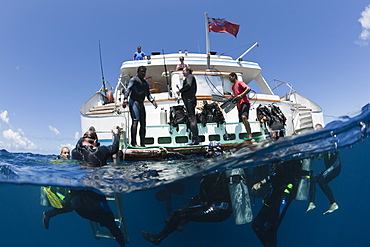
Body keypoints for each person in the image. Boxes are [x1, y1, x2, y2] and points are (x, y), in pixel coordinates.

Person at [141, 142, 232, 245]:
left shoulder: (212, 165)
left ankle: (158, 238)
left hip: (217, 210)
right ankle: (181, 224)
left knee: (179, 214)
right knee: (195, 199)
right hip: (223, 209)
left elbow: (191, 162)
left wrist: (173, 154)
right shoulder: (225, 164)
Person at [42, 189, 125, 247]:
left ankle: (50, 213)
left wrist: (121, 240)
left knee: (73, 205)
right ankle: (50, 213)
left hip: (83, 199)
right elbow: (113, 228)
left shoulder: (102, 216)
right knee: (74, 204)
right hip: (85, 197)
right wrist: (121, 241)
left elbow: (114, 228)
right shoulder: (105, 216)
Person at [251, 159, 302, 247]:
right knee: (257, 224)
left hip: (285, 193)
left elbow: (280, 174)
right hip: (275, 192)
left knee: (271, 227)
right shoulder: (277, 159)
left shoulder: (290, 159)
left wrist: (262, 182)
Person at [306, 124, 341, 215]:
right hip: (330, 168)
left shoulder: (330, 140)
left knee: (322, 181)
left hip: (335, 167)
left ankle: (333, 203)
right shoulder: (322, 143)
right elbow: (319, 156)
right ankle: (311, 203)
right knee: (313, 180)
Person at [123, 66, 158, 147]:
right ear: (138, 72)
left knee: (143, 123)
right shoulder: (134, 80)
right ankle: (134, 143)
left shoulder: (145, 83)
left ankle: (142, 143)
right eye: (142, 71)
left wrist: (153, 101)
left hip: (141, 103)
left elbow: (148, 94)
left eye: (144, 72)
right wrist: (125, 98)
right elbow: (128, 89)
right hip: (134, 102)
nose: (143, 73)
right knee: (135, 121)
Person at [177, 67, 199, 145]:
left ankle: (195, 139)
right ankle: (194, 138)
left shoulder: (190, 76)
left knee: (192, 118)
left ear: (188, 71)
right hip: (189, 100)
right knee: (190, 118)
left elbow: (188, 85)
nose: (182, 72)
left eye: (184, 71)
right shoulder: (189, 77)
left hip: (190, 100)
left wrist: (181, 90)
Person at [229, 72, 253, 139]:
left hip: (245, 102)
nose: (230, 79)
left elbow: (248, 89)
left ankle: (250, 134)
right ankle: (243, 135)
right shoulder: (233, 87)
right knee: (241, 121)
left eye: (230, 77)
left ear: (234, 76)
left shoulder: (240, 83)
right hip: (239, 105)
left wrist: (241, 95)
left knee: (244, 117)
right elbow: (236, 95)